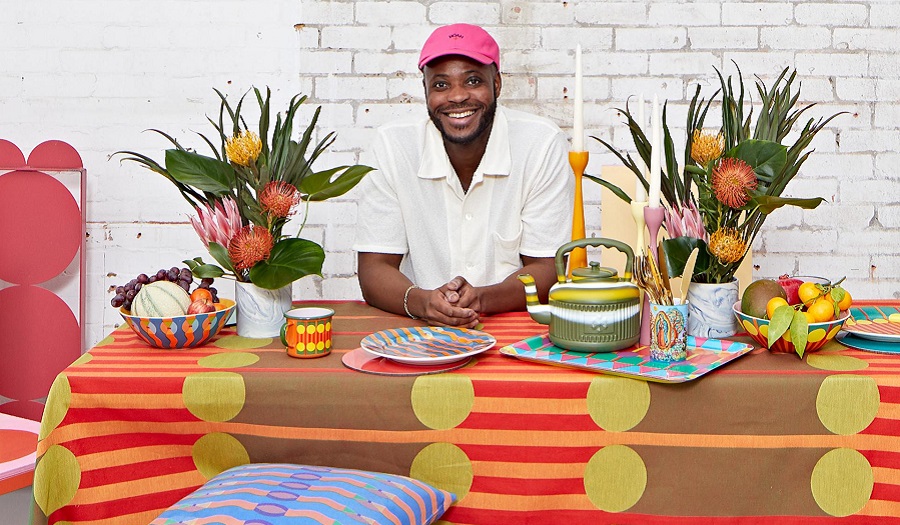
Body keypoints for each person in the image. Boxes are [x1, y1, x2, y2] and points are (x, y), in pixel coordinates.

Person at [353, 23, 574, 327]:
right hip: (419, 329)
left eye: (472, 81)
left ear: (497, 84)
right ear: (426, 91)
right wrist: (424, 303)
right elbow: (373, 269)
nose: (457, 97)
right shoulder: (393, 146)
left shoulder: (540, 143)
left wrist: (481, 299)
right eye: (441, 85)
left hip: (515, 326)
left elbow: (547, 268)